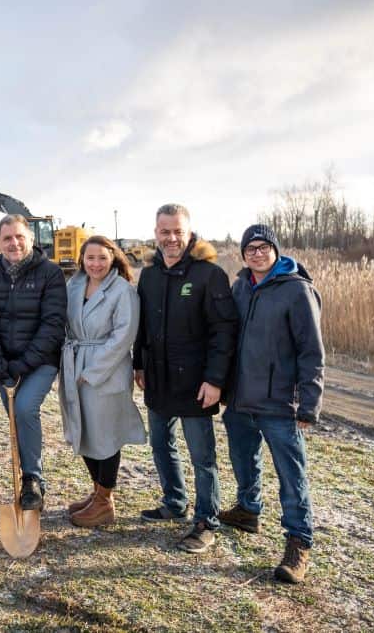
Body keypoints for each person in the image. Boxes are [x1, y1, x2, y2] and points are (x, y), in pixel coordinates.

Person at [220, 224, 324, 584]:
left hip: (280, 401)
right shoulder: (240, 287)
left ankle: (299, 541)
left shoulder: (297, 291)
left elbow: (311, 351)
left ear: (276, 251)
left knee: (291, 475)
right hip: (240, 398)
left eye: (264, 247)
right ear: (243, 254)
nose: (257, 253)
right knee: (242, 459)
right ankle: (248, 510)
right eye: (250, 248)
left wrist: (309, 403)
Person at [133, 203, 237, 553]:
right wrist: (139, 365)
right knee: (161, 444)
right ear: (156, 232)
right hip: (159, 378)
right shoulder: (149, 274)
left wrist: (215, 380)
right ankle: (174, 501)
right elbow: (142, 326)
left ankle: (207, 519)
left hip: (196, 382)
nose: (171, 238)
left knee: (202, 456)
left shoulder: (209, 275)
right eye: (165, 231)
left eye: (178, 231)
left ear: (189, 232)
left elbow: (223, 332)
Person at [0, 214, 67, 511]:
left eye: (19, 237)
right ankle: (31, 480)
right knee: (16, 419)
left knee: (25, 409)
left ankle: (32, 479)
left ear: (30, 239)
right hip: (5, 363)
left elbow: (53, 324)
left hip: (40, 361)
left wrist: (23, 364)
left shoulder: (50, 273)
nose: (13, 243)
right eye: (6, 238)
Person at [59, 236, 145, 528]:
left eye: (102, 258)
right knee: (83, 430)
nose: (95, 264)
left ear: (113, 258)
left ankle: (104, 502)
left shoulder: (123, 291)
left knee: (105, 435)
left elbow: (123, 338)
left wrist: (93, 371)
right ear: (82, 258)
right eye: (90, 257)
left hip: (106, 369)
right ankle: (98, 492)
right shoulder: (74, 286)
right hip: (74, 362)